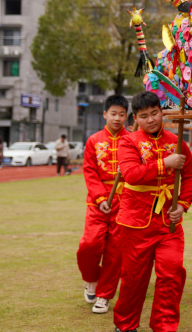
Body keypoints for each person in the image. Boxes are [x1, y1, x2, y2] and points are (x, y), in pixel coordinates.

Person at [112, 91, 192, 332]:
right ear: (136, 119)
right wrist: (165, 164)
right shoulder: (128, 141)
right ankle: (125, 326)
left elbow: (191, 174)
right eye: (143, 116)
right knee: (133, 280)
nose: (150, 119)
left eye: (154, 113)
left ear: (162, 112)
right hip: (135, 223)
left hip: (168, 223)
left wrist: (181, 205)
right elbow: (131, 174)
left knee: (172, 274)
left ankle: (165, 326)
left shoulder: (177, 140)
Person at [76, 95, 130, 314]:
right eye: (113, 113)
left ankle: (105, 295)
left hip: (124, 201)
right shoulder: (94, 140)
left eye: (122, 114)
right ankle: (91, 279)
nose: (117, 118)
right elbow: (89, 171)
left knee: (115, 252)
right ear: (105, 114)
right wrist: (99, 198)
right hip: (97, 202)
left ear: (127, 116)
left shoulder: (134, 139)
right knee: (89, 245)